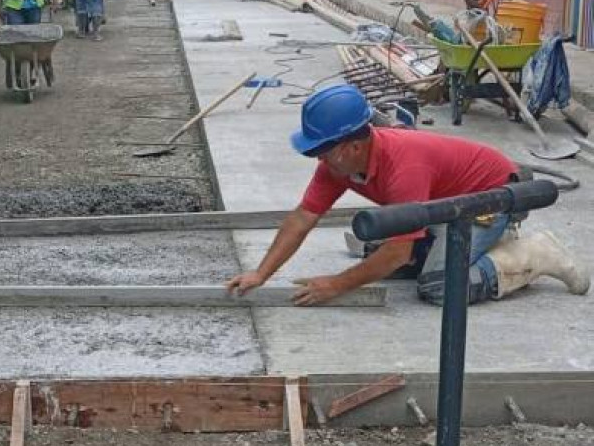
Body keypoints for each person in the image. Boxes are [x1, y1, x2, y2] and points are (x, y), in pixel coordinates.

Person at [226, 84, 589, 307]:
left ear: (354, 146)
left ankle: (534, 253)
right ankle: (459, 246)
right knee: (376, 255)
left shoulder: (405, 166)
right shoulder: (338, 165)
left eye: (323, 150)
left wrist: (336, 286)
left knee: (437, 287)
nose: (318, 159)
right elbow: (303, 217)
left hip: (491, 198)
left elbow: (399, 250)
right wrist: (261, 274)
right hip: (441, 205)